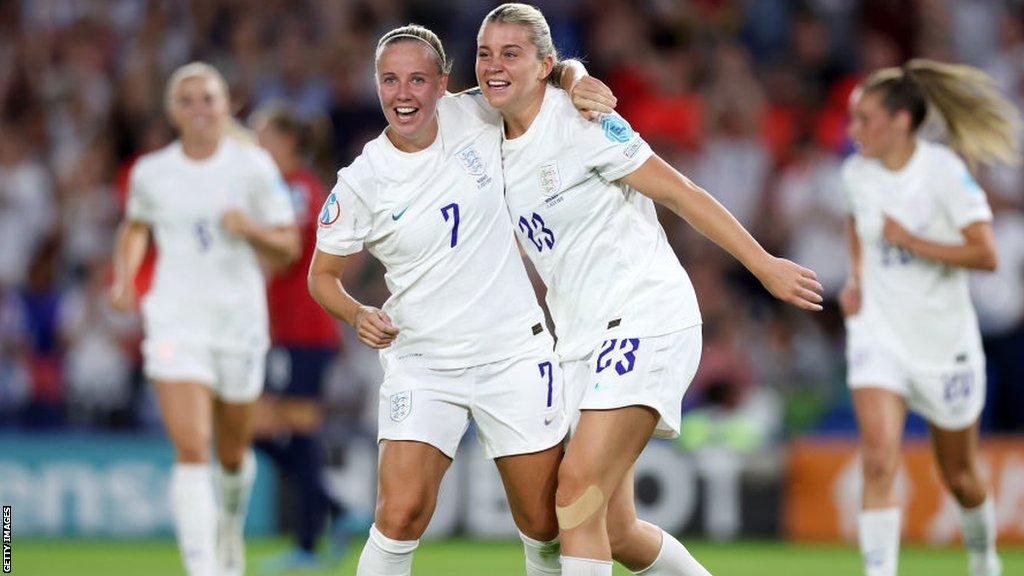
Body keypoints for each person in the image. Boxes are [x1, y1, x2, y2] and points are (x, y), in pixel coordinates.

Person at [474, 5, 823, 575]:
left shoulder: (582, 124)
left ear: (543, 64)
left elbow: (681, 192)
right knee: (616, 529)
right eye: (485, 53)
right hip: (580, 339)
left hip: (645, 314)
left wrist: (762, 264)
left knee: (575, 495)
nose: (494, 66)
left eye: (511, 54)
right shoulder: (488, 142)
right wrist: (575, 71)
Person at [307, 25, 615, 576]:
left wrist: (577, 74)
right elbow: (322, 276)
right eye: (390, 80)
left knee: (544, 523)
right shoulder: (361, 182)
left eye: (417, 79)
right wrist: (356, 312)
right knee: (399, 513)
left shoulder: (474, 112)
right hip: (424, 360)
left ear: (443, 84)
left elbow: (538, 72)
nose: (403, 94)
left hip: (513, 352)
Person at [109, 62, 300, 576]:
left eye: (208, 99)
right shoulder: (152, 172)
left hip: (238, 323)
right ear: (173, 110)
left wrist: (251, 230)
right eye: (187, 100)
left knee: (232, 454)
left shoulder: (253, 167)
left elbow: (289, 244)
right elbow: (135, 227)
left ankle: (230, 531)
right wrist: (126, 279)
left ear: (226, 105)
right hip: (175, 321)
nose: (199, 109)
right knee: (192, 448)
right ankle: (203, 567)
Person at [840, 59, 1019, 576]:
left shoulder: (942, 172)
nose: (854, 132)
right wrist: (856, 276)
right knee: (877, 458)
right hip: (878, 333)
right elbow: (856, 222)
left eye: (865, 120)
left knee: (960, 476)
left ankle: (983, 558)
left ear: (900, 122)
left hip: (944, 343)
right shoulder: (855, 174)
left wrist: (913, 241)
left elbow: (986, 255)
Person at [249, 104, 357, 571]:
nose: (256, 148)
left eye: (264, 139)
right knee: (259, 427)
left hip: (302, 328)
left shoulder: (294, 189)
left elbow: (282, 255)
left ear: (287, 144)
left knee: (291, 425)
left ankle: (311, 544)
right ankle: (335, 510)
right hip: (286, 329)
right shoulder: (297, 188)